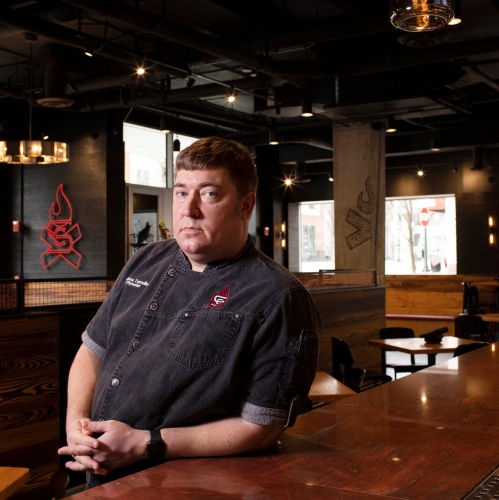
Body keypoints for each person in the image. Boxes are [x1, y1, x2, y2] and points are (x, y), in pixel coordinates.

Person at [58, 136, 321, 487]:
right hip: (99, 475)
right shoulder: (145, 260)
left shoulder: (279, 297)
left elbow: (262, 428)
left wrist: (146, 444)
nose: (188, 209)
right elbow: (93, 350)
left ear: (246, 206)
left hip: (186, 483)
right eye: (181, 193)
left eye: (209, 193)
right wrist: (76, 425)